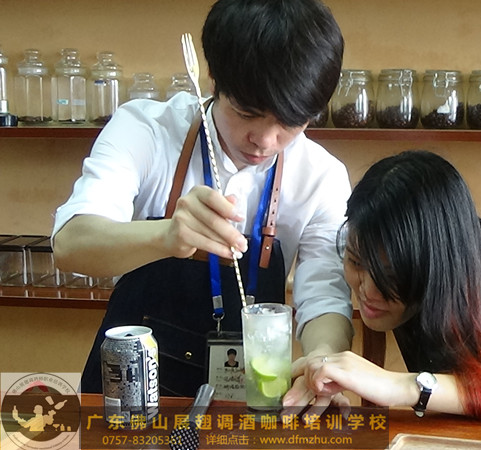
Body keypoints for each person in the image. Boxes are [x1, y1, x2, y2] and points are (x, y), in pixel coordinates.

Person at [52, 0, 353, 407]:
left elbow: (324, 297)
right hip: (131, 396)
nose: (265, 141)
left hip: (248, 398)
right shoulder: (146, 130)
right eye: (247, 113)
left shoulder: (321, 176)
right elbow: (70, 244)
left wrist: (322, 359)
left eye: (291, 122)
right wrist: (165, 236)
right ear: (212, 79)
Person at [292, 150, 481, 419]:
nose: (367, 290)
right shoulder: (401, 268)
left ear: (436, 265)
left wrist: (404, 386)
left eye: (389, 276)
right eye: (355, 262)